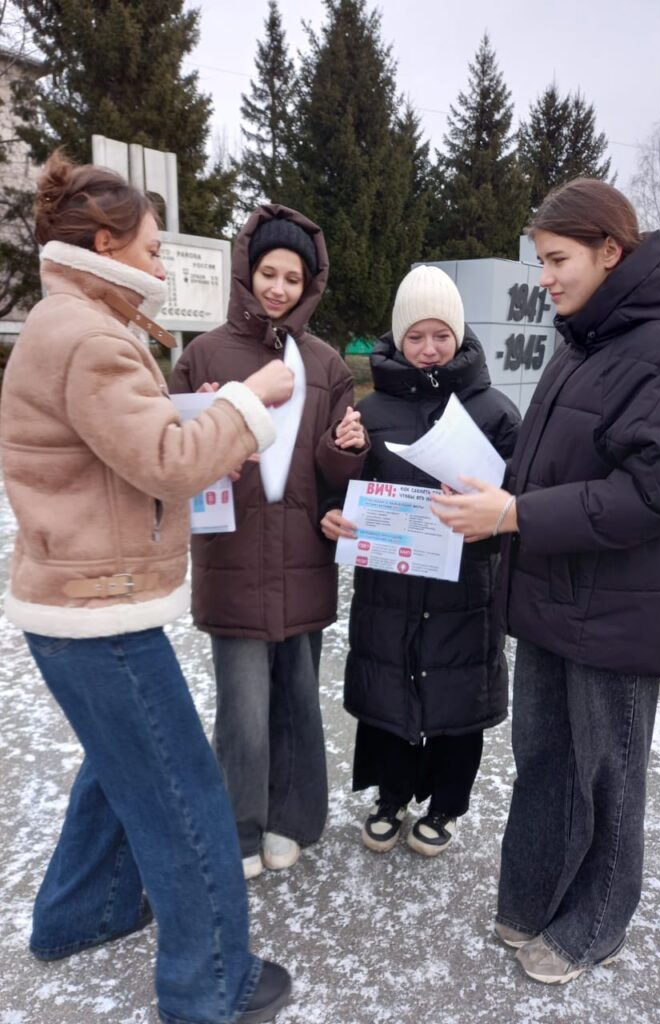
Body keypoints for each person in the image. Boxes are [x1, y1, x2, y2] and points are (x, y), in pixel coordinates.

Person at [0, 152, 296, 1022]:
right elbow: (166, 465)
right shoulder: (91, 336)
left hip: (81, 598)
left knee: (120, 767)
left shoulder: (72, 322)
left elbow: (122, 452)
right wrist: (249, 403)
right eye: (154, 247)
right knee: (181, 792)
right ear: (106, 244)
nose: (162, 262)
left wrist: (199, 421)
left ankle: (79, 915)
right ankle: (211, 984)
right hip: (99, 607)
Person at [432, 179, 660, 982]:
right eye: (541, 262)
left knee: (608, 776)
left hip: (619, 615)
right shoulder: (582, 343)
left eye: (558, 260)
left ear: (610, 252)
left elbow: (651, 495)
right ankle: (533, 899)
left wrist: (515, 514)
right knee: (546, 760)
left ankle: (596, 923)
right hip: (553, 597)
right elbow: (553, 465)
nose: (547, 278)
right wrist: (491, 492)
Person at [169, 205, 368, 881]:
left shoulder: (326, 363)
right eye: (268, 273)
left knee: (297, 700)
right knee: (244, 710)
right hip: (233, 557)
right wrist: (203, 426)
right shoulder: (204, 354)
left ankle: (292, 818)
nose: (279, 288)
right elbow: (172, 454)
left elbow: (334, 473)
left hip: (303, 559)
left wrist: (349, 449)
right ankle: (238, 826)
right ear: (246, 273)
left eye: (293, 278)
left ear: (310, 285)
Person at [322, 266, 520, 857]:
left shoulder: (495, 412)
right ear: (397, 338)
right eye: (415, 336)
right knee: (390, 692)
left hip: (465, 589)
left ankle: (445, 806)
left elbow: (521, 501)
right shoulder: (370, 411)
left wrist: (492, 509)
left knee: (457, 700)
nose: (429, 348)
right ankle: (390, 797)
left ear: (459, 335)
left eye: (441, 335)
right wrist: (339, 494)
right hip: (390, 588)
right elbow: (343, 490)